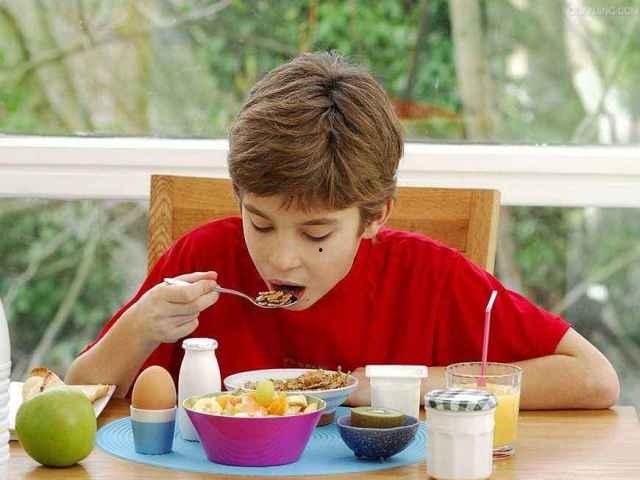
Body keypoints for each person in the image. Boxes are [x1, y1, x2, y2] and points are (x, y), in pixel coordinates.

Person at [66, 52, 619, 410]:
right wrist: (141, 326)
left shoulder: (429, 276)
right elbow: (79, 389)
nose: (281, 259)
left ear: (375, 217)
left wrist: (405, 385)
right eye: (260, 223)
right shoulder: (206, 259)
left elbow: (594, 378)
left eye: (316, 235)